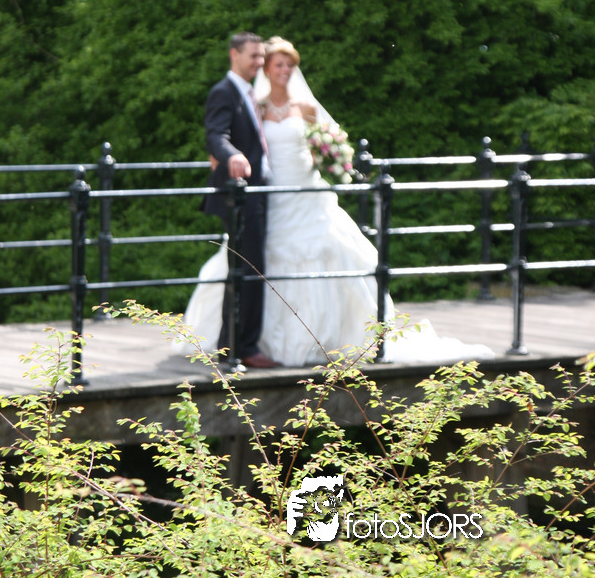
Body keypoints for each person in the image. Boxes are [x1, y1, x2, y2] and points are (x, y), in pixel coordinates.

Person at [185, 36, 494, 367]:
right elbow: (233, 138)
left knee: (326, 250)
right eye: (277, 64)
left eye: (289, 65)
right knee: (253, 263)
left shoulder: (305, 108)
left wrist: (331, 156)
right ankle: (243, 343)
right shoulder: (254, 105)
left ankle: (324, 336)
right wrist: (224, 158)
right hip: (268, 193)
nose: (284, 70)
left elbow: (326, 143)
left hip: (305, 189)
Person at [200, 31, 279, 369]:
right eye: (254, 56)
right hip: (240, 195)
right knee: (248, 269)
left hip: (254, 192)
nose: (260, 62)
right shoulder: (224, 92)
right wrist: (231, 154)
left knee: (245, 268)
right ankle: (242, 347)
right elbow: (216, 135)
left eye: (262, 56)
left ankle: (230, 345)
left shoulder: (249, 92)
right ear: (234, 54)